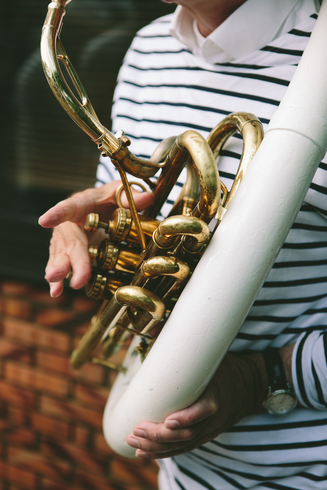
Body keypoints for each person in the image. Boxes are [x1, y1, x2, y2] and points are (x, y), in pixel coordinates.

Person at [39, 0, 327, 488]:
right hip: (184, 477)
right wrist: (91, 225)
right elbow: (127, 204)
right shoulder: (150, 48)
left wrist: (268, 378)